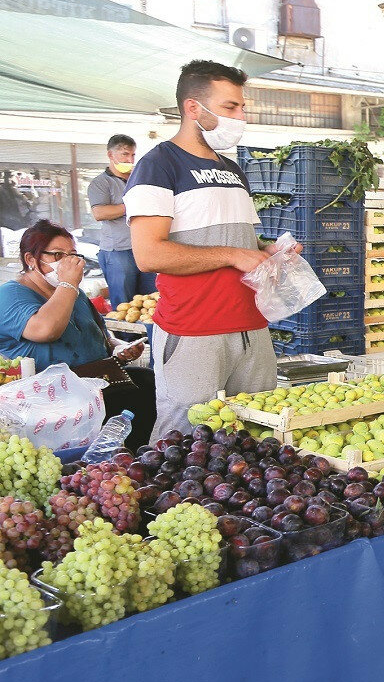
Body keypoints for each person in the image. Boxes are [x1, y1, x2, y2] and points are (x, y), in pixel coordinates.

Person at [126, 59, 296, 442]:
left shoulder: (233, 169)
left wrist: (269, 250)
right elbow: (149, 255)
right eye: (230, 107)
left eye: (242, 107)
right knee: (183, 440)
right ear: (193, 108)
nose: (240, 116)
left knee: (255, 437)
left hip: (252, 327)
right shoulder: (157, 166)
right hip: (194, 330)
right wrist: (232, 256)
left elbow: (241, 242)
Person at [0, 221, 155, 450]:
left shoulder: (74, 293)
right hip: (52, 399)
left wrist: (119, 347)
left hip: (97, 383)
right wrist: (68, 283)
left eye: (73, 254)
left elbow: (97, 334)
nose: (70, 262)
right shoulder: (10, 294)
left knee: (148, 384)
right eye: (58, 255)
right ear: (31, 260)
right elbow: (46, 330)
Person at [87, 134, 156, 308]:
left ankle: (147, 336)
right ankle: (124, 337)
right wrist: (132, 205)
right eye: (125, 154)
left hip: (145, 247)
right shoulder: (101, 183)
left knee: (149, 300)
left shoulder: (139, 179)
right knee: (123, 303)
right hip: (118, 250)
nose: (130, 159)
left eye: (132, 155)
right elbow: (99, 212)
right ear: (111, 155)